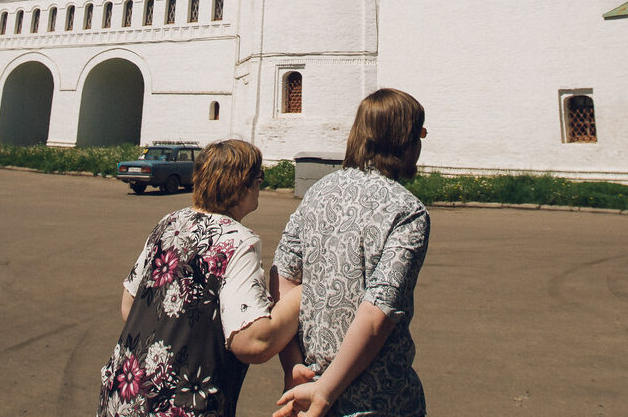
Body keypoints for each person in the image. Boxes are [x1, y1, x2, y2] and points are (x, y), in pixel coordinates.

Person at [98, 138, 303, 417]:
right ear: (241, 186)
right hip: (179, 407)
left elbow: (130, 305)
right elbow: (252, 342)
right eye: (258, 178)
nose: (260, 186)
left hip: (124, 394)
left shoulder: (170, 222)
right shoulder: (236, 241)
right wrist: (304, 293)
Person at [273, 88, 430, 417]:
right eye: (420, 133)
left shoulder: (317, 193)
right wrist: (326, 391)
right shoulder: (407, 211)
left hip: (307, 386)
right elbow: (377, 314)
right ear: (405, 139)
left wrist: (293, 366)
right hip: (378, 398)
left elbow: (281, 280)